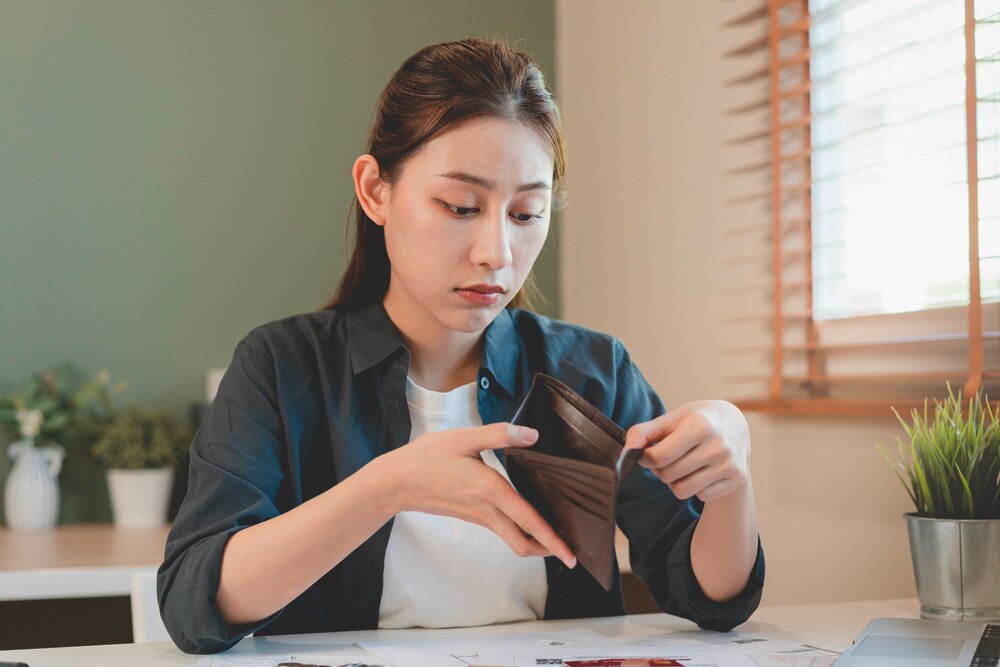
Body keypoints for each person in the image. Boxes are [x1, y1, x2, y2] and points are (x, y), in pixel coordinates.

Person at [157, 36, 765, 655]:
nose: (496, 254)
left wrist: (731, 482)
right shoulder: (281, 367)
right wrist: (385, 487)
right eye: (460, 206)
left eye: (526, 214)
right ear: (375, 191)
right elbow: (193, 603)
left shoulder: (590, 372)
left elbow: (708, 596)